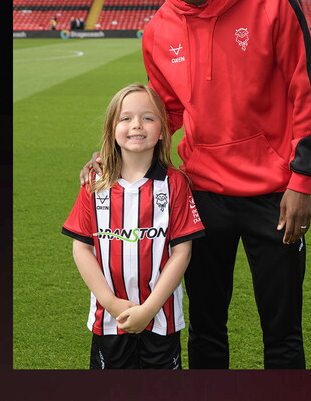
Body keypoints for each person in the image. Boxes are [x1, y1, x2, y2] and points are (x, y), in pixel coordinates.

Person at [80, 0, 311, 369]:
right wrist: (114, 154)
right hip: (201, 196)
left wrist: (301, 183)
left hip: (274, 197)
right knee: (207, 330)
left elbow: (307, 96)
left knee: (282, 333)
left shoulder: (275, 0)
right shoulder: (156, 32)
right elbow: (166, 113)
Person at [62, 83, 206, 369]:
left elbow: (182, 253)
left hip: (161, 318)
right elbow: (81, 248)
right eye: (125, 118)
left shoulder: (175, 183)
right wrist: (110, 303)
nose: (136, 125)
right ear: (111, 129)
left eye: (148, 118)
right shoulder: (95, 183)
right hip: (109, 319)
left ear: (163, 129)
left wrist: (149, 309)